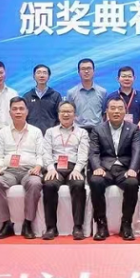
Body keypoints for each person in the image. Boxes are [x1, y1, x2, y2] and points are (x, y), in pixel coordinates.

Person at [88, 95, 140, 241]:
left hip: (124, 170)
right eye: (113, 108)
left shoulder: (133, 129)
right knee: (95, 181)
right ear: (107, 111)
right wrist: (97, 167)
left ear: (125, 111)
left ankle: (126, 224)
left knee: (132, 183)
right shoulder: (98, 129)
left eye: (120, 108)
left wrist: (133, 169)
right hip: (105, 169)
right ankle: (101, 224)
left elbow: (137, 151)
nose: (116, 111)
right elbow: (94, 152)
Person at [0, 97, 45, 239]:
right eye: (14, 109)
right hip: (9, 171)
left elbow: (41, 154)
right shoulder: (3, 132)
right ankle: (6, 224)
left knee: (35, 183)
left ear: (27, 111)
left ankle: (28, 223)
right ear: (10, 113)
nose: (18, 112)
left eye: (21, 109)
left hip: (29, 170)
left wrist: (38, 166)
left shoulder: (36, 132)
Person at [41, 101, 90, 241]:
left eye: (69, 111)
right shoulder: (50, 132)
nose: (66, 114)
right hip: (55, 167)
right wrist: (50, 168)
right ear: (58, 114)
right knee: (49, 185)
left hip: (74, 166)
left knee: (78, 184)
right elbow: (46, 152)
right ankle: (51, 227)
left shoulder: (82, 132)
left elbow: (83, 153)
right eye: (63, 111)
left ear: (75, 115)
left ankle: (78, 227)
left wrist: (78, 169)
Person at [66, 58, 107, 131]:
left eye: (89, 68)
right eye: (83, 69)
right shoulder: (71, 93)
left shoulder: (102, 92)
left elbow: (104, 113)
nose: (86, 71)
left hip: (98, 130)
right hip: (78, 131)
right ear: (79, 72)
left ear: (93, 71)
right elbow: (69, 113)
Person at [25, 63, 62, 132]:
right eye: (38, 73)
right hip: (31, 133)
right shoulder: (27, 96)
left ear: (49, 76)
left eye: (45, 73)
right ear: (34, 76)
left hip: (51, 133)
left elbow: (60, 116)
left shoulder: (56, 96)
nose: (41, 75)